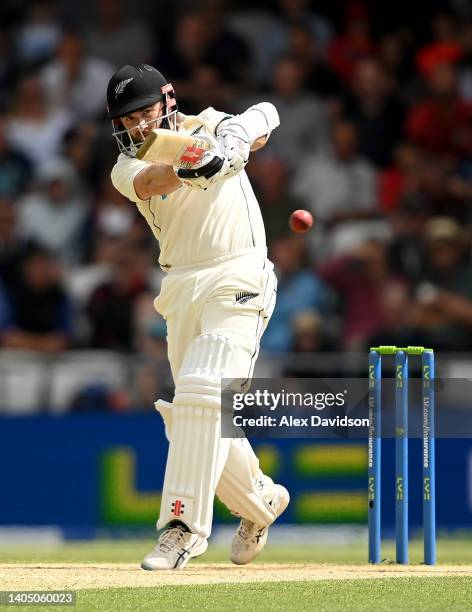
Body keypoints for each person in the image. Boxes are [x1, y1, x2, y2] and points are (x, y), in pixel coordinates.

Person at [107, 63, 289, 570]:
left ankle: (182, 529)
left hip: (239, 273)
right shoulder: (125, 166)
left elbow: (266, 114)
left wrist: (234, 135)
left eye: (144, 113)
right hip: (181, 287)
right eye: (127, 120)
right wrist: (195, 166)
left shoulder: (210, 122)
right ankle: (260, 500)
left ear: (167, 102)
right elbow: (153, 180)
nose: (138, 127)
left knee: (204, 389)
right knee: (192, 409)